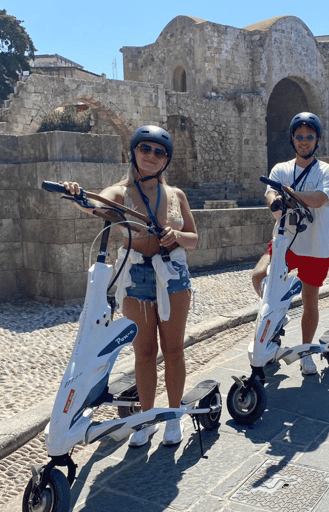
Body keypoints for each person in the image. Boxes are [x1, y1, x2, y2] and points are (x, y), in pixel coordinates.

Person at [62, 125, 197, 448]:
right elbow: (96, 204)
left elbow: (193, 238)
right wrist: (77, 196)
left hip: (173, 276)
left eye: (158, 152)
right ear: (133, 153)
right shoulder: (121, 192)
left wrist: (176, 236)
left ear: (166, 159)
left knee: (174, 349)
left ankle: (174, 416)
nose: (151, 156)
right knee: (144, 352)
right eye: (145, 149)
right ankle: (147, 419)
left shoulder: (176, 195)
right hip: (135, 277)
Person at [251, 112, 329, 375]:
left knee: (310, 300)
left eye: (309, 137)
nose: (304, 141)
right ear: (293, 139)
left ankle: (306, 350)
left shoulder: (327, 171)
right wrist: (275, 201)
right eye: (299, 136)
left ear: (317, 139)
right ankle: (275, 321)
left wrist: (289, 194)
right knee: (259, 278)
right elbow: (270, 193)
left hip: (316, 245)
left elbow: (320, 198)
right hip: (285, 242)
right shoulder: (281, 169)